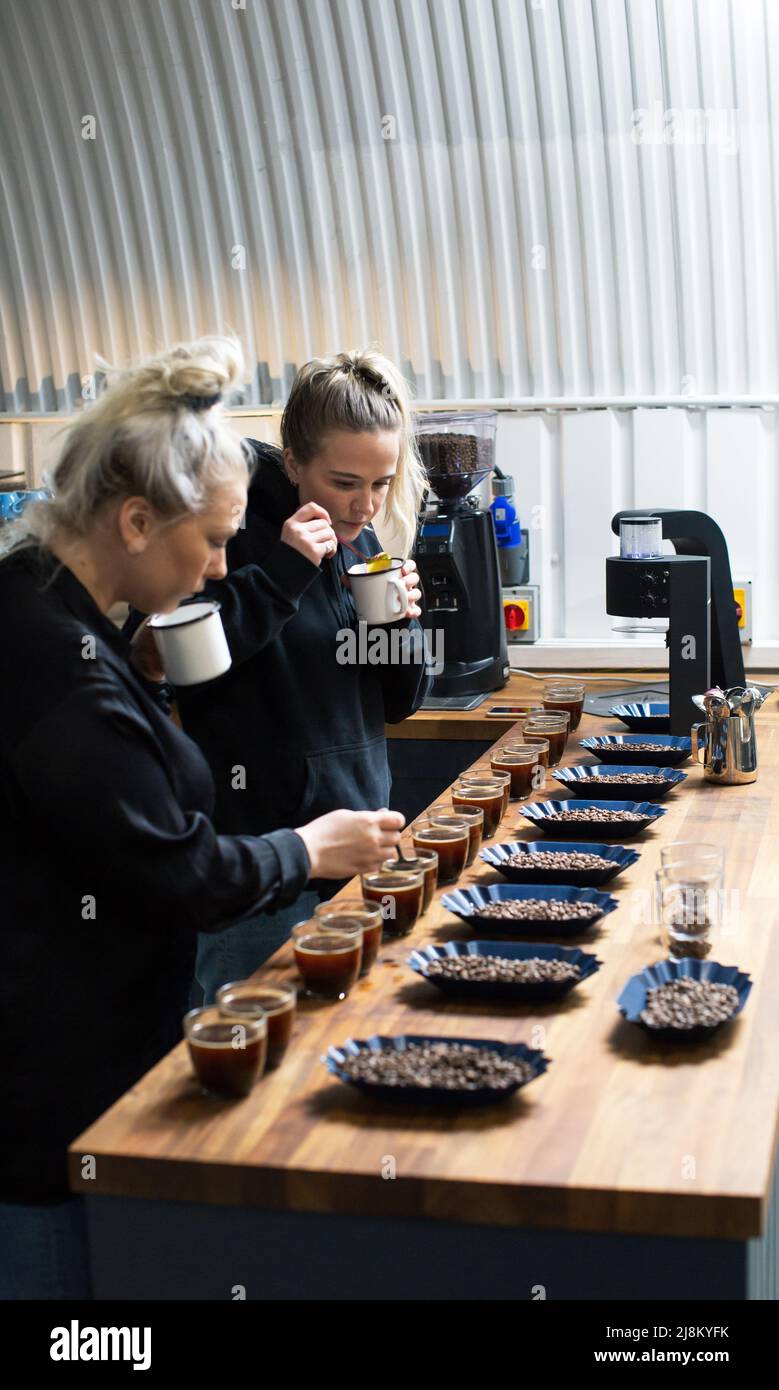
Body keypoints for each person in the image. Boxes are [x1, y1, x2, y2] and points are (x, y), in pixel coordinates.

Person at [0, 337, 404, 1298]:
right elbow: (176, 870)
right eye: (217, 540)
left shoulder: (49, 610)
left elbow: (392, 689)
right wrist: (304, 848)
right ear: (136, 520)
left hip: (97, 1056)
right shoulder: (62, 666)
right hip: (48, 1086)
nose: (223, 567)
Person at [132, 349, 430, 1002]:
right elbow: (181, 664)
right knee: (246, 1072)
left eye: (381, 483)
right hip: (261, 876)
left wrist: (397, 627)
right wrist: (285, 571)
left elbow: (399, 705)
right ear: (292, 460)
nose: (364, 505)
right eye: (345, 481)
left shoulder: (362, 539)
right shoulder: (229, 531)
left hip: (359, 863)